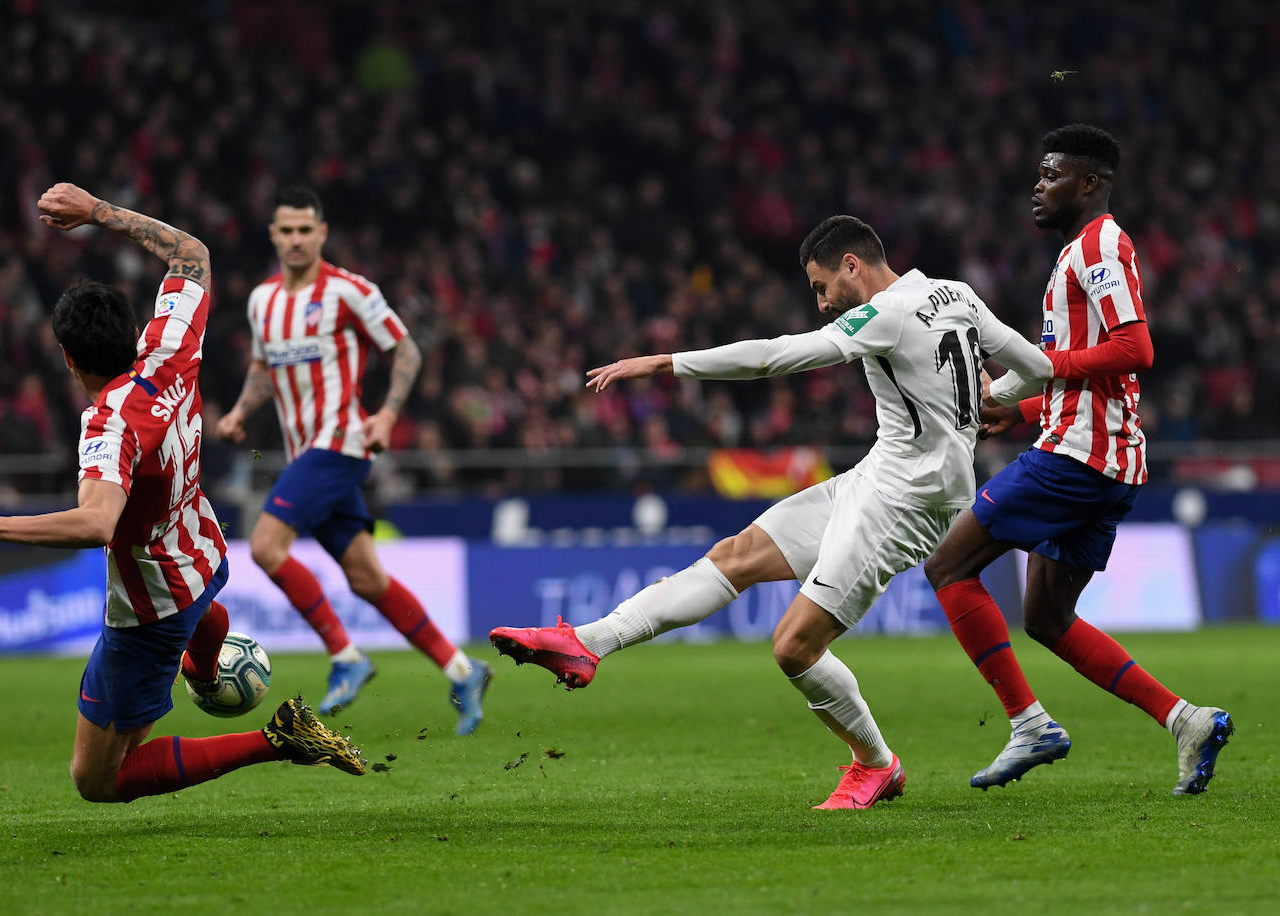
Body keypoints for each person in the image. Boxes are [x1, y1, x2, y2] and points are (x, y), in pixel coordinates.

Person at [491, 215, 1054, 809]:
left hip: (907, 501)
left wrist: (666, 363)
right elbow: (1040, 368)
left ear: (851, 266)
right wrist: (990, 401)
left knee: (794, 648)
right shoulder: (956, 294)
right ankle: (586, 643)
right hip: (876, 477)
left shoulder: (883, 313)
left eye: (820, 286)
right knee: (735, 556)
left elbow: (777, 357)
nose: (820, 303)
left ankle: (876, 764)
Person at [0, 183, 366, 802]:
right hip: (204, 552)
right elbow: (191, 254)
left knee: (98, 777)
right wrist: (99, 213)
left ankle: (281, 738)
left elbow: (97, 523)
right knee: (193, 629)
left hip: (150, 611)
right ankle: (205, 659)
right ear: (131, 328)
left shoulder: (109, 424)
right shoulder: (169, 348)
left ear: (70, 360)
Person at [922, 125, 1232, 795]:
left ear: (1087, 183)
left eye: (1051, 173)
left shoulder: (1099, 246)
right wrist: (1026, 408)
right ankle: (1186, 720)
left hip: (1078, 460)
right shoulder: (1079, 254)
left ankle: (1028, 724)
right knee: (1046, 617)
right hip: (1096, 454)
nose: (1038, 185)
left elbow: (1135, 349)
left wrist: (1039, 368)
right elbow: (1101, 382)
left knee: (948, 565)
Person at [217, 185, 490, 733]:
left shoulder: (349, 291)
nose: (295, 239)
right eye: (286, 230)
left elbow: (406, 349)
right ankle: (462, 667)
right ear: (273, 235)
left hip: (342, 442)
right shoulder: (261, 301)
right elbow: (262, 368)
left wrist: (387, 414)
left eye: (305, 230)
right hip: (305, 452)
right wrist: (240, 412)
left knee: (268, 546)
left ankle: (345, 657)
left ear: (322, 233)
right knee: (367, 578)